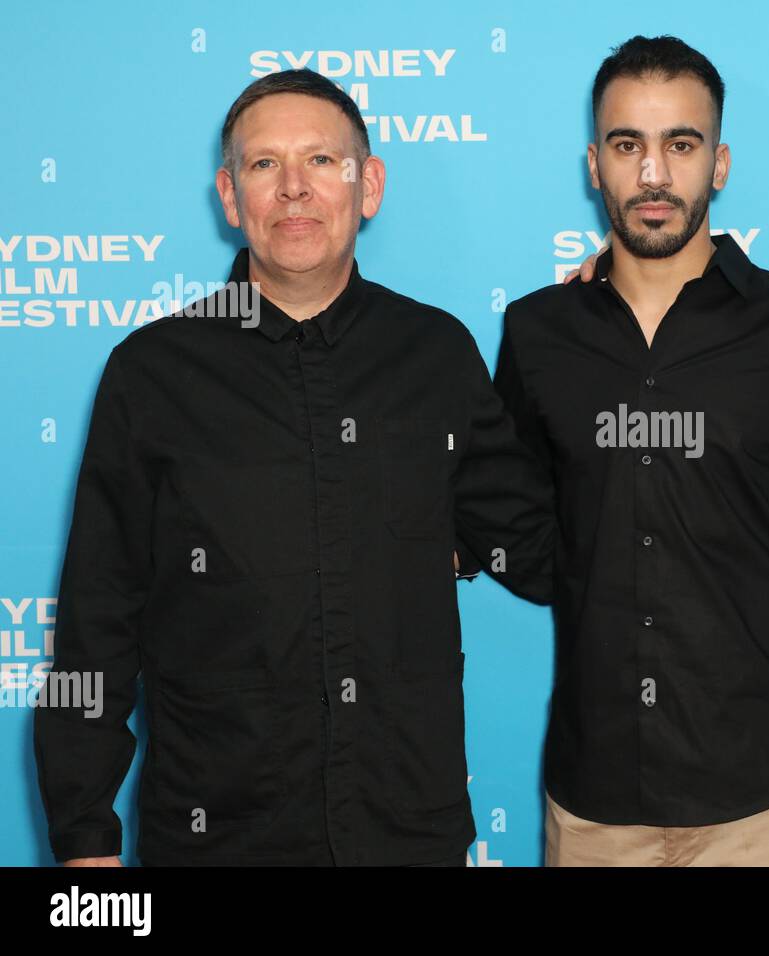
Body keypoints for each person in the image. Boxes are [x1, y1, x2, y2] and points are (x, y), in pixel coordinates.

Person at [33, 68, 555, 866]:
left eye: (321, 160)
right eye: (263, 164)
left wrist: (605, 321)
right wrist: (84, 840)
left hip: (405, 833)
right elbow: (96, 621)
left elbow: (538, 549)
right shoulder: (152, 374)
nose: (293, 188)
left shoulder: (437, 356)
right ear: (230, 195)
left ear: (368, 186)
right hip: (217, 836)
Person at [494, 35, 769, 866]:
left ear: (721, 162)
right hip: (596, 801)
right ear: (594, 165)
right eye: (626, 145)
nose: (653, 174)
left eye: (681, 144)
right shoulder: (536, 332)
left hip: (768, 801)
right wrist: (596, 555)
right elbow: (510, 518)